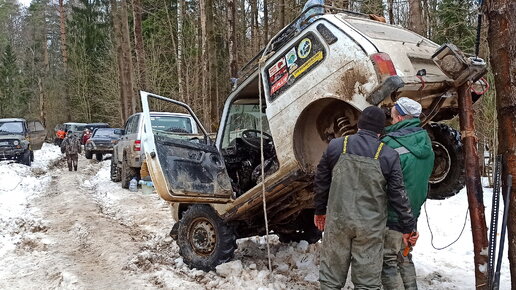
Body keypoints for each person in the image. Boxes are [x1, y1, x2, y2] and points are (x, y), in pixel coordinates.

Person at [314, 106, 415, 290]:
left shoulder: (336, 146)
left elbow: (321, 180)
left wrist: (320, 211)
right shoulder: (389, 155)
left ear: (359, 125)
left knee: (330, 281)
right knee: (367, 284)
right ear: (380, 131)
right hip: (370, 228)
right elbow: (398, 195)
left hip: (338, 223)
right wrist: (408, 227)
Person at [381, 98, 435, 290]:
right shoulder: (426, 141)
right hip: (412, 213)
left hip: (393, 213)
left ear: (402, 117)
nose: (392, 121)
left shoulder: (389, 145)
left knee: (388, 262)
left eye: (394, 118)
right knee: (404, 257)